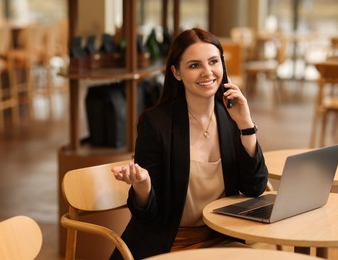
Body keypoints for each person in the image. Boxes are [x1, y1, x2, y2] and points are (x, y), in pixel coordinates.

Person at [110, 28, 268, 259]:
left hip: (222, 237)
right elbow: (148, 216)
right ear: (176, 72)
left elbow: (255, 187)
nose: (207, 73)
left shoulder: (231, 115)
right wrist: (142, 185)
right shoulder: (156, 123)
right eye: (194, 65)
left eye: (213, 62)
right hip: (169, 242)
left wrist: (246, 124)